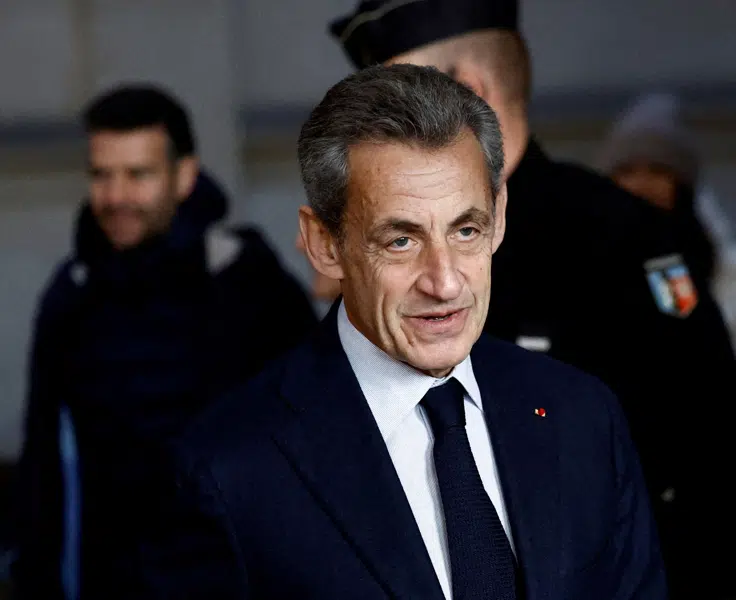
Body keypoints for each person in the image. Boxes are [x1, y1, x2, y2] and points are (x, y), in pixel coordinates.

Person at [134, 64, 667, 600]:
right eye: (401, 241)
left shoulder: (584, 418)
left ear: (499, 218)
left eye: (466, 230)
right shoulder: (226, 469)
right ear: (324, 244)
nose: (445, 282)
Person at [329, 2, 736, 599]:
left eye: (395, 107)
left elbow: (720, 461)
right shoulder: (382, 249)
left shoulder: (619, 239)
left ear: (471, 92)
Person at [13, 85, 318, 599]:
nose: (116, 196)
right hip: (116, 582)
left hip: (235, 580)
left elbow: (315, 429)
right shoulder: (72, 294)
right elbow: (42, 466)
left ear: (184, 176)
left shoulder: (246, 279)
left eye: (138, 174)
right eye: (102, 175)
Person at [598, 93, 736, 422]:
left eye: (657, 170)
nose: (640, 185)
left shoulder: (674, 265)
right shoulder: (593, 258)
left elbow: (689, 350)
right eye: (627, 171)